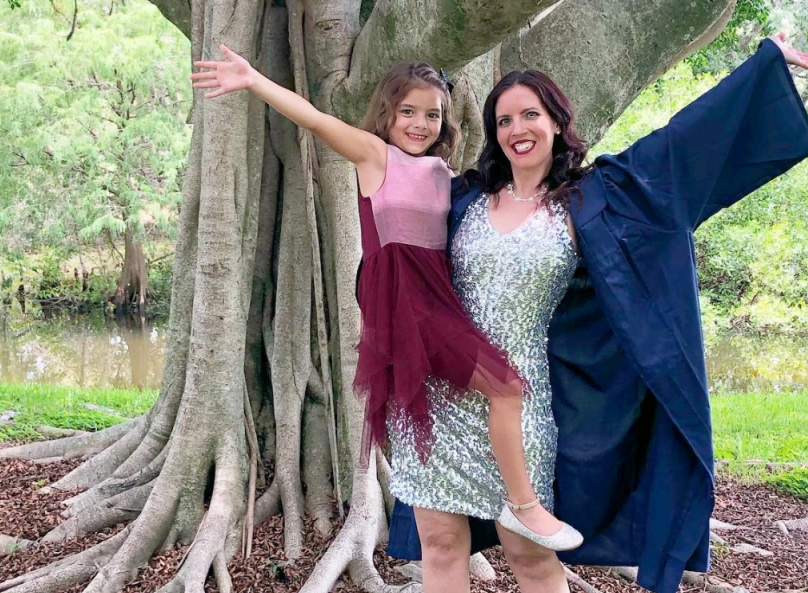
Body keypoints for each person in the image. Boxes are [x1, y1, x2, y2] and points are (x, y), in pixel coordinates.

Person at [386, 33, 808, 593]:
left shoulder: (592, 198)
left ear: (558, 122)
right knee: (439, 543)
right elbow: (387, 200)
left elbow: (679, 146)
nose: (517, 128)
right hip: (442, 393)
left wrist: (763, 66)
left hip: (519, 395)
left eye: (530, 115)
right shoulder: (462, 196)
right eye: (504, 119)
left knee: (530, 551)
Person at [189, 49, 582, 550]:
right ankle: (525, 507)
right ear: (387, 114)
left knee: (497, 392)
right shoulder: (375, 155)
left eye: (432, 114)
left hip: (444, 299)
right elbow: (314, 117)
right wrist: (253, 80)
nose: (420, 124)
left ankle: (504, 503)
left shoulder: (446, 173)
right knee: (506, 387)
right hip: (407, 307)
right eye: (408, 112)